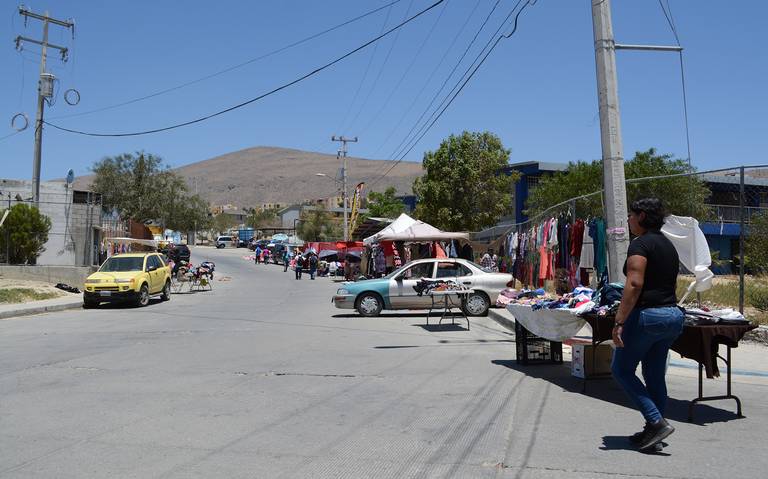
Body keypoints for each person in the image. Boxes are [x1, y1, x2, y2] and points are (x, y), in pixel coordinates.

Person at [610, 198, 684, 452]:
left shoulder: (640, 245)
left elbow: (634, 284)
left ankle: (655, 421)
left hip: (648, 316)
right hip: (672, 315)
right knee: (653, 375)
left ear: (641, 216)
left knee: (621, 370)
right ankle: (654, 432)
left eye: (631, 216)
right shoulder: (667, 245)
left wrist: (619, 321)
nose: (629, 220)